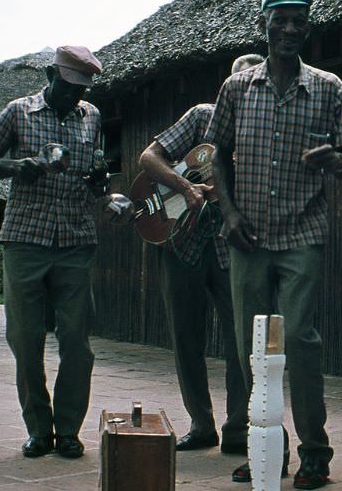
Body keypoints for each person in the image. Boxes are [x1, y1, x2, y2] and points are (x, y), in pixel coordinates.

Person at [207, 0, 342, 490]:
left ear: (308, 28)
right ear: (265, 25)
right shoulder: (237, 88)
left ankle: (315, 452)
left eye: (298, 21)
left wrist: (335, 160)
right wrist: (228, 214)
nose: (289, 29)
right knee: (252, 347)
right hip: (246, 235)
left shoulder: (329, 88)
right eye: (281, 21)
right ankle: (265, 449)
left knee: (298, 340)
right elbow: (216, 155)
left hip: (302, 232)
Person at [0, 46, 133, 459]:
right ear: (50, 75)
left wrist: (100, 182)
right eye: (67, 86)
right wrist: (17, 166)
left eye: (81, 90)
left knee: (77, 342)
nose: (73, 96)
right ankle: (39, 430)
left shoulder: (91, 116)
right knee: (26, 340)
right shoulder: (18, 112)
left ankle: (69, 431)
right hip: (25, 239)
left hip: (76, 240)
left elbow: (94, 179)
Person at [138, 53, 264, 455]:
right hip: (181, 243)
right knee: (185, 337)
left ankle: (237, 427)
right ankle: (201, 424)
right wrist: (185, 186)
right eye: (238, 83)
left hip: (232, 249)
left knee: (241, 341)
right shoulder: (201, 117)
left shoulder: (266, 134)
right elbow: (148, 157)